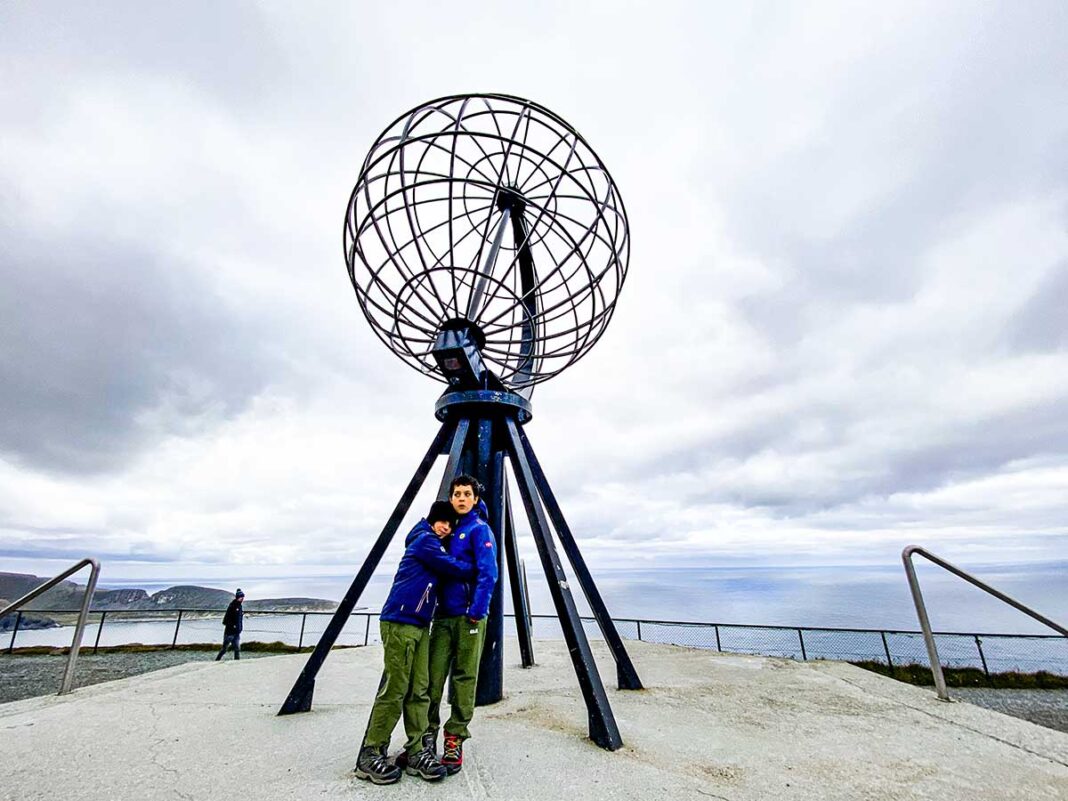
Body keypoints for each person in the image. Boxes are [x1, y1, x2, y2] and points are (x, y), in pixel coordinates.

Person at [355, 501, 477, 786]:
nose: (446, 527)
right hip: (400, 621)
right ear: (432, 520)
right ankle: (371, 752)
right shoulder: (424, 541)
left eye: (450, 524)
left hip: (421, 625)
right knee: (395, 689)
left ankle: (416, 751)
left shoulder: (433, 541)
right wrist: (478, 568)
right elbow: (450, 567)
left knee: (420, 689)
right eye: (442, 522)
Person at [424, 475, 499, 775]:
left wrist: (476, 611)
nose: (461, 498)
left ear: (476, 499)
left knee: (465, 679)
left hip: (468, 617)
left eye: (467, 494)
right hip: (443, 616)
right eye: (457, 494)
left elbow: (488, 573)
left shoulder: (480, 530)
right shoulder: (448, 530)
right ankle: (426, 734)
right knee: (432, 677)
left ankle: (454, 737)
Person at [216, 588, 244, 661]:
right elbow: (226, 620)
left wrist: (239, 628)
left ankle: (236, 661)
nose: (242, 599)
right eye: (241, 597)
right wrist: (232, 626)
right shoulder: (232, 606)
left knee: (237, 648)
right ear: (238, 597)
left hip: (237, 632)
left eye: (243, 597)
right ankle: (217, 659)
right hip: (229, 632)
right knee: (225, 648)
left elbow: (239, 619)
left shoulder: (240, 606)